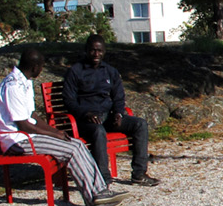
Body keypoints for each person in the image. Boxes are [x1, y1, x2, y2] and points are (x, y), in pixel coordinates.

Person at [0, 46, 133, 206]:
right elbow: (24, 125)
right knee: (71, 150)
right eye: (41, 66)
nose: (41, 70)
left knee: (77, 144)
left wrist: (57, 132)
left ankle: (101, 190)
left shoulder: (25, 81)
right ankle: (92, 197)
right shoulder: (14, 86)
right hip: (17, 141)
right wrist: (53, 136)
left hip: (27, 136)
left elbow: (33, 116)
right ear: (35, 67)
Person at [63, 34, 159, 186]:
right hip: (86, 121)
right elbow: (69, 101)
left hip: (108, 117)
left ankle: (139, 174)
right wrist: (85, 113)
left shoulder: (110, 71)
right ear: (86, 50)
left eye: (100, 51)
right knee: (98, 131)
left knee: (140, 124)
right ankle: (103, 178)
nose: (96, 54)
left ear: (104, 51)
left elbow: (118, 97)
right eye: (93, 50)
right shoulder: (75, 72)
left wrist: (119, 113)